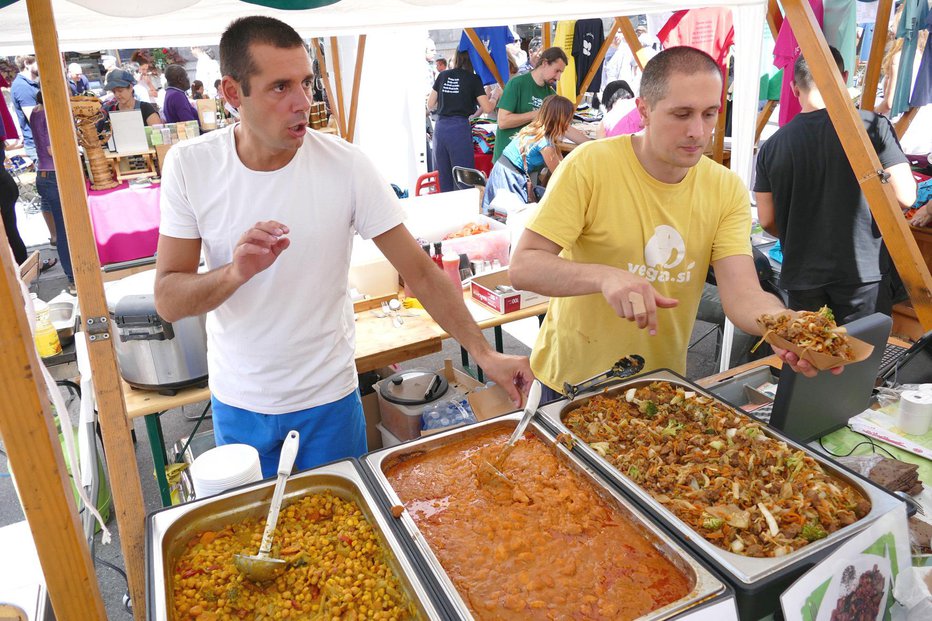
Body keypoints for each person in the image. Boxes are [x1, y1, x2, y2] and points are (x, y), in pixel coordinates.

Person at [155, 15, 532, 477]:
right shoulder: (191, 165)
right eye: (279, 87)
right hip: (240, 403)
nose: (302, 103)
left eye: (306, 83)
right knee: (255, 542)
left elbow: (420, 271)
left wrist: (484, 352)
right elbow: (169, 300)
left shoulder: (346, 165)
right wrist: (236, 272)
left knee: (348, 542)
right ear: (233, 94)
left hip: (329, 400)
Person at [509, 46, 832, 403]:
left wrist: (786, 325)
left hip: (661, 386)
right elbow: (524, 266)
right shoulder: (590, 165)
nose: (698, 131)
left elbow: (743, 294)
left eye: (709, 114)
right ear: (644, 110)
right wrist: (604, 277)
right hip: (569, 384)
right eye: (681, 114)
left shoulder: (725, 189)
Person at [755, 47, 916, 324]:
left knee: (810, 360)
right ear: (843, 78)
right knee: (862, 360)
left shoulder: (772, 146)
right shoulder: (872, 126)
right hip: (863, 272)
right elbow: (906, 196)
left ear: (794, 88)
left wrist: (804, 236)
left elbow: (768, 220)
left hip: (802, 273)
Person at [492, 47, 590, 162]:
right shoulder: (517, 84)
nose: (558, 77)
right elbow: (503, 122)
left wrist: (593, 144)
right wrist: (536, 114)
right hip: (509, 163)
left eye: (561, 73)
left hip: (530, 162)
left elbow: (564, 127)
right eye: (557, 71)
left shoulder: (551, 94)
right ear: (544, 63)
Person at [482, 94, 573, 212]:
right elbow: (559, 172)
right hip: (510, 176)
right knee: (510, 218)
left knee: (498, 215)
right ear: (561, 119)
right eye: (569, 119)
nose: (570, 123)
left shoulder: (536, 130)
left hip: (502, 170)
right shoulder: (545, 143)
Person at [427, 50, 497, 192]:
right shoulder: (473, 79)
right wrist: (495, 95)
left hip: (440, 129)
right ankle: (464, 213)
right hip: (459, 129)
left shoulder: (443, 75)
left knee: (443, 177)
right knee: (463, 178)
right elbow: (488, 108)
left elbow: (430, 104)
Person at [30, 90, 74, 291]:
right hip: (53, 174)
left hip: (45, 174)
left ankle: (73, 275)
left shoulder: (36, 111)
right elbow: (51, 148)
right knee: (66, 231)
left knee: (63, 229)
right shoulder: (48, 113)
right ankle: (73, 276)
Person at [10, 55, 39, 163]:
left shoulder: (30, 84)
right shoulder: (22, 86)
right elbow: (34, 119)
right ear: (26, 63)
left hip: (41, 143)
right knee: (50, 179)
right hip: (37, 145)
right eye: (38, 62)